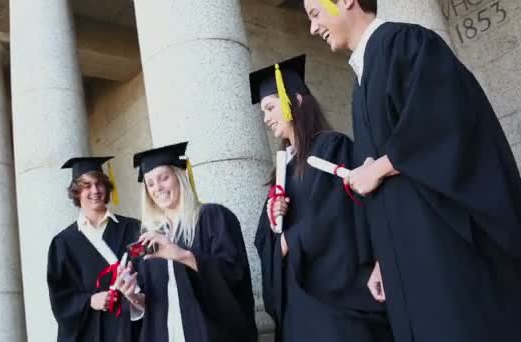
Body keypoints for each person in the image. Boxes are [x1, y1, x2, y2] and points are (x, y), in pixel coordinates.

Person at [304, 1, 521, 341]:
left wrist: (382, 167)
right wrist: (382, 257)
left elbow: (448, 119)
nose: (313, 28)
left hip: (442, 247)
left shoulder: (406, 43)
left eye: (315, 13)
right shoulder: (360, 83)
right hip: (404, 258)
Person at [251, 55, 392, 342]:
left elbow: (338, 213)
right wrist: (274, 222)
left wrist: (291, 239)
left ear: (297, 101)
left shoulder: (332, 147)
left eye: (270, 107)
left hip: (336, 297)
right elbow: (265, 242)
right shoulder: (281, 169)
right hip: (298, 301)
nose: (265, 118)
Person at [117, 142, 257, 342]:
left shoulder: (212, 217)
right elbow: (153, 301)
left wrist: (181, 255)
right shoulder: (150, 237)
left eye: (163, 178)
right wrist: (132, 296)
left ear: (179, 176)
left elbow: (235, 274)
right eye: (150, 183)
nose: (157, 188)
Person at [47, 156, 142, 342]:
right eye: (86, 185)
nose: (95, 190)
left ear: (107, 188)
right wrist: (89, 301)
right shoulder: (63, 243)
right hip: (89, 332)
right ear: (76, 192)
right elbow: (60, 297)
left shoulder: (133, 228)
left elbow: (149, 276)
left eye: (99, 184)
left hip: (131, 329)